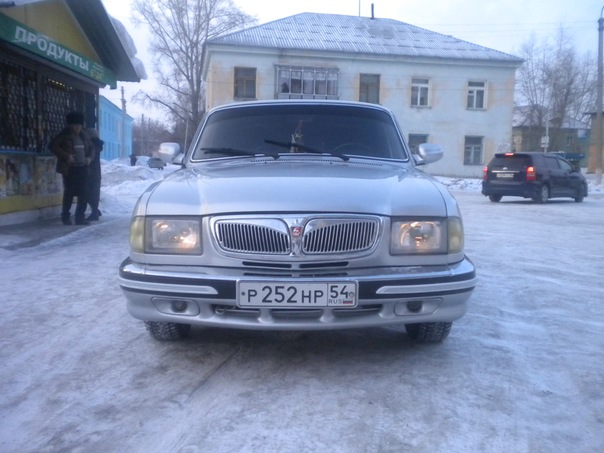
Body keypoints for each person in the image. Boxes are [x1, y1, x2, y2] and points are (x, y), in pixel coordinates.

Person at [51, 112, 95, 225]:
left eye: (79, 125)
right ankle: (65, 217)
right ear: (70, 125)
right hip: (70, 168)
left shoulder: (84, 135)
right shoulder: (64, 135)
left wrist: (89, 158)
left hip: (83, 168)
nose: (78, 127)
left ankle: (80, 217)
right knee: (69, 193)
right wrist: (67, 156)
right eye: (75, 125)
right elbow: (53, 146)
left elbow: (92, 148)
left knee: (83, 193)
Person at [85, 128, 104, 221]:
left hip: (90, 172)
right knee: (94, 193)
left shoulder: (91, 145)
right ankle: (95, 211)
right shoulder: (98, 145)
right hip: (96, 172)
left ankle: (94, 212)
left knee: (89, 193)